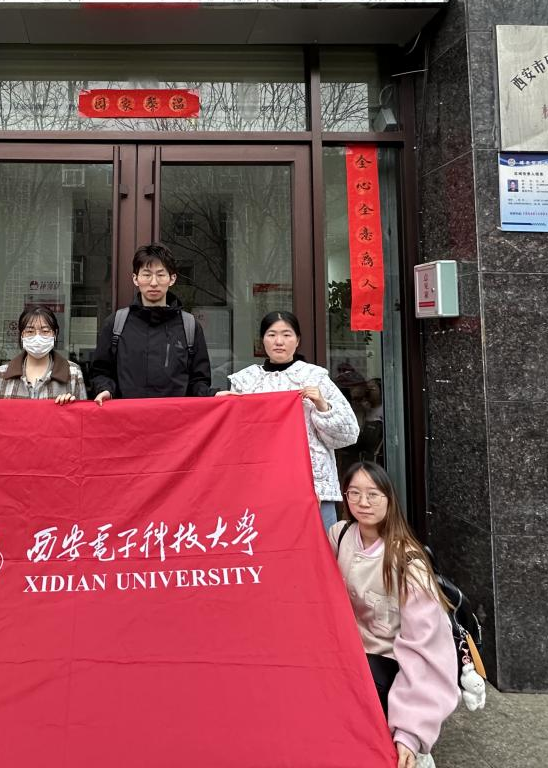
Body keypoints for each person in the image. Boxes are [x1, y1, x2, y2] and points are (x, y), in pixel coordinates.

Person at [329, 462, 459, 768]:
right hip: (345, 656)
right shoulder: (339, 535)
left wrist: (411, 732)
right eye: (354, 493)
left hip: (388, 664)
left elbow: (425, 650)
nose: (363, 502)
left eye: (373, 494)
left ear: (389, 498)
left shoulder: (407, 562)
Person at [218, 310, 359, 529]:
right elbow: (234, 440)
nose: (279, 341)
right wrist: (224, 409)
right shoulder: (245, 382)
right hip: (260, 487)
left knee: (319, 547)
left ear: (298, 340)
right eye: (272, 334)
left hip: (313, 487)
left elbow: (348, 435)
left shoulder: (315, 377)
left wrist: (322, 406)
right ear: (262, 340)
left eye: (286, 334)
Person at [89, 243, 212, 403]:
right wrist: (105, 390)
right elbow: (100, 372)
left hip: (175, 417)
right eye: (147, 275)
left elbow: (199, 381)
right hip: (127, 416)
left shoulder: (189, 326)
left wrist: (213, 395)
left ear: (172, 278)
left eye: (161, 275)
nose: (154, 282)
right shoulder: (116, 324)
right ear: (135, 279)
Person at [0, 304, 86, 403]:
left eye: (45, 331)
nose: (37, 337)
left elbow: (83, 411)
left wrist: (68, 406)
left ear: (55, 333)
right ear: (22, 335)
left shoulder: (73, 373)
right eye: (30, 331)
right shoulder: (2, 373)